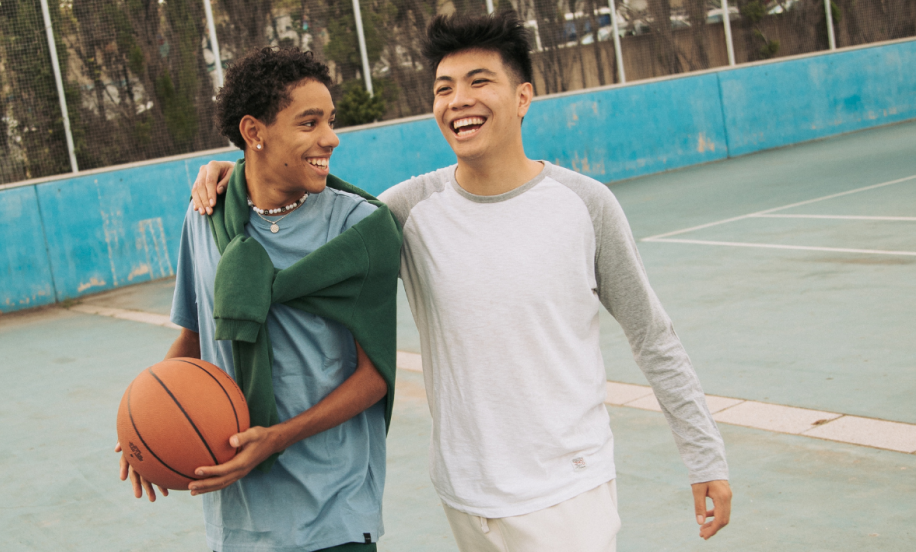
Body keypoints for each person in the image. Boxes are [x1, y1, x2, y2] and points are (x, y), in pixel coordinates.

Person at [189, 13, 732, 552]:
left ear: (522, 97)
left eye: (479, 82)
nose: (458, 100)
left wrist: (705, 456)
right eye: (443, 88)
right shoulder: (406, 210)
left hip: (567, 491)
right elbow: (310, 196)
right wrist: (237, 172)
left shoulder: (585, 204)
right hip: (465, 497)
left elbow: (652, 336)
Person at [116, 47, 402, 552]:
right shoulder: (205, 217)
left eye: (330, 121)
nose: (330, 138)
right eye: (309, 122)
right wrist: (142, 428)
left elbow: (375, 375)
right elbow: (194, 337)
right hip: (240, 513)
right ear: (254, 132)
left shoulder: (359, 228)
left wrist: (279, 436)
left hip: (334, 505)